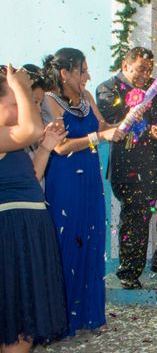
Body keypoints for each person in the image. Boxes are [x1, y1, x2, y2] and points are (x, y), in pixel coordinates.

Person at [41, 48, 126, 336]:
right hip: (64, 180)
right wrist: (99, 136)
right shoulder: (51, 102)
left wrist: (128, 123)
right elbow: (61, 147)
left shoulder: (88, 98)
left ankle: (90, 314)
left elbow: (104, 126)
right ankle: (61, 319)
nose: (89, 76)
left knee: (91, 240)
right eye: (83, 70)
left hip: (90, 177)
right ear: (65, 73)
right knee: (68, 241)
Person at [96, 47, 157, 290]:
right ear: (126, 66)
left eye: (149, 69)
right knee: (137, 215)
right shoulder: (107, 88)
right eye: (141, 69)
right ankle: (129, 271)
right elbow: (115, 119)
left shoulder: (153, 89)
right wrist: (148, 130)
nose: (146, 74)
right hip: (132, 165)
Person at [0, 65, 67, 353]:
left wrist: (45, 148)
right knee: (17, 328)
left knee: (21, 325)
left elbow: (30, 180)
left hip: (26, 232)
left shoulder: (11, 142)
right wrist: (21, 86)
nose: (25, 108)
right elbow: (32, 128)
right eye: (15, 103)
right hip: (12, 234)